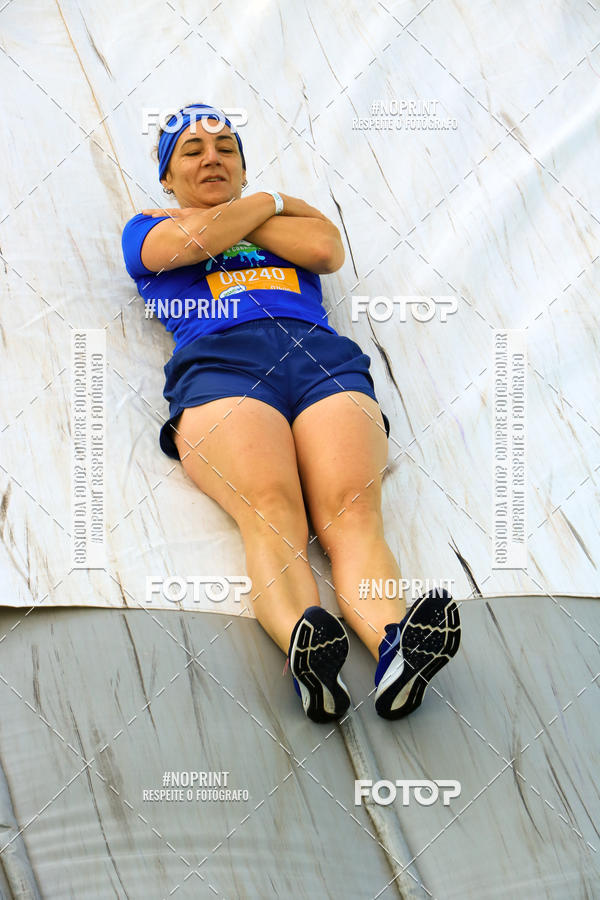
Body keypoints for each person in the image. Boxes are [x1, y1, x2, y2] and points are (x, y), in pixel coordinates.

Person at [121, 103, 461, 724]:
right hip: (223, 365)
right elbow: (189, 243)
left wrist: (246, 213)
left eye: (225, 149)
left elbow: (326, 249)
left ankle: (397, 651)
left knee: (352, 511)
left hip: (321, 360)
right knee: (272, 510)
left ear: (244, 167)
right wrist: (270, 208)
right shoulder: (143, 228)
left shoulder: (265, 213)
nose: (211, 158)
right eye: (191, 151)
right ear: (166, 177)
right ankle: (309, 653)